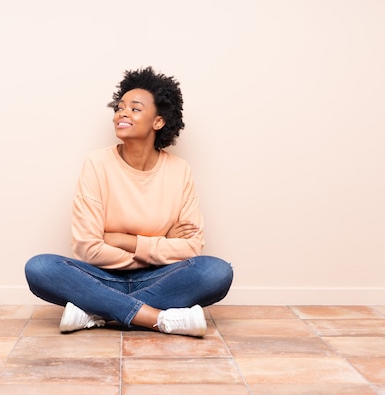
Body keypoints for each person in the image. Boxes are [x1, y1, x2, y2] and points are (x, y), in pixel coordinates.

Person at [25, 67, 233, 337]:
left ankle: (98, 311)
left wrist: (121, 240)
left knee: (215, 271)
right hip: (103, 276)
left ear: (158, 122)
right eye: (119, 107)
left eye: (135, 109)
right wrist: (161, 242)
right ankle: (157, 318)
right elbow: (87, 249)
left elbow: (192, 247)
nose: (122, 113)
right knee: (40, 267)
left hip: (157, 276)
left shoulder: (179, 170)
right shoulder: (97, 164)